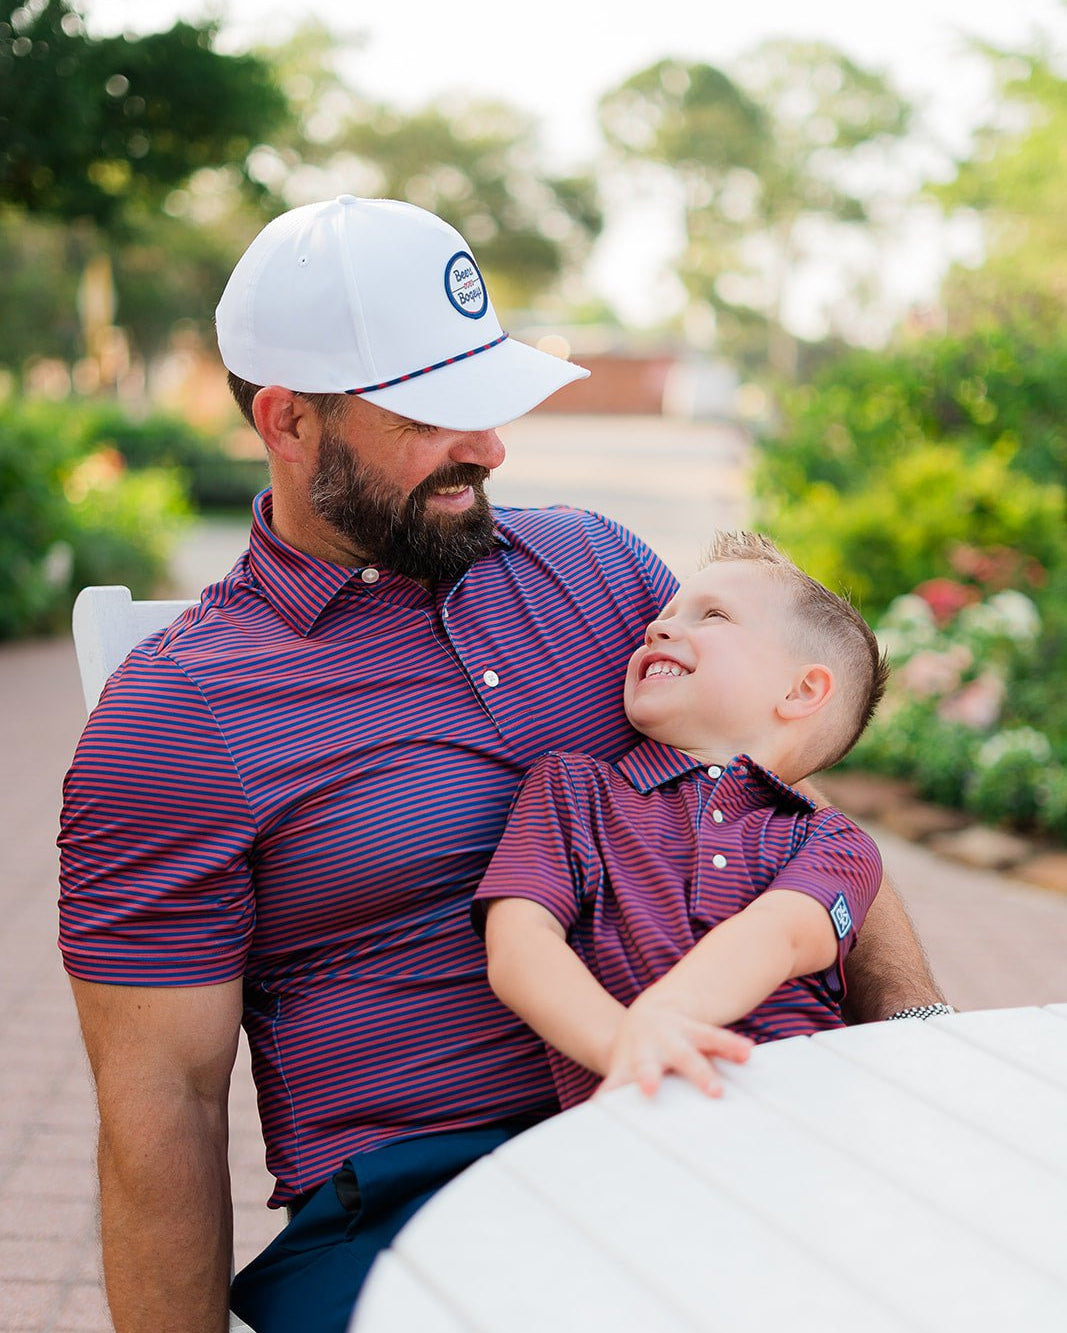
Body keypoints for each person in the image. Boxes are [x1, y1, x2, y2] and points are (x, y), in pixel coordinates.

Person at [57, 196, 949, 1333]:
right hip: (417, 1199)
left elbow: (785, 814)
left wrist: (920, 1050)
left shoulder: (601, 569)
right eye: (434, 413)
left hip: (706, 1127)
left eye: (484, 399)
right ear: (288, 421)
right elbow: (162, 1107)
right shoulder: (177, 715)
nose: (486, 446)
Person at [476, 530, 891, 1107]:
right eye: (667, 614)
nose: (658, 627)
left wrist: (664, 1017)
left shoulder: (832, 840)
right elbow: (520, 940)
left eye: (714, 615)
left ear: (801, 690)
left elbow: (779, 935)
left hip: (800, 1106)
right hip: (632, 1112)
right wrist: (623, 1043)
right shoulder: (572, 788)